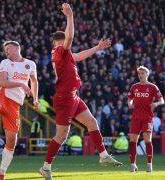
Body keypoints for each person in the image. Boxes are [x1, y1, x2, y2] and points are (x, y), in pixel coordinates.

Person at [39, 3, 122, 180]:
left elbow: (79, 55)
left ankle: (103, 155)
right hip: (64, 98)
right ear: (56, 43)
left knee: (92, 122)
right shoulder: (58, 51)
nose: (64, 42)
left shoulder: (66, 55)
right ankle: (45, 167)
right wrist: (70, 16)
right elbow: (69, 39)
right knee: (61, 136)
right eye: (60, 41)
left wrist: (97, 48)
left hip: (73, 97)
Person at [0, 40, 39, 180]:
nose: (6, 52)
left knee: (12, 141)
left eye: (8, 49)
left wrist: (35, 99)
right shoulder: (5, 62)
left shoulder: (30, 64)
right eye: (6, 50)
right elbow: (2, 82)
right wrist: (21, 84)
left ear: (17, 49)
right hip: (2, 99)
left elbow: (34, 81)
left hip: (15, 106)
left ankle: (1, 174)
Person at [127, 66, 164, 172]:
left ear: (147, 74)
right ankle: (133, 165)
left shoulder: (153, 87)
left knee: (147, 139)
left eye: (142, 73)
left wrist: (156, 104)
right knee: (133, 140)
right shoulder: (134, 87)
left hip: (147, 118)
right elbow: (129, 99)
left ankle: (149, 164)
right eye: (139, 74)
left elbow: (162, 100)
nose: (140, 75)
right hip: (136, 117)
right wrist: (130, 104)